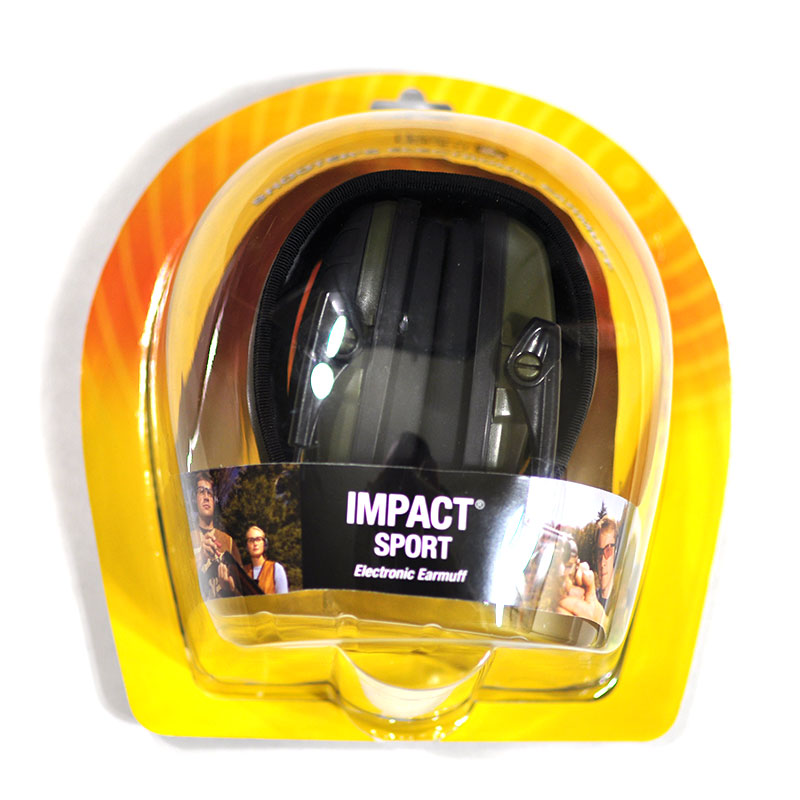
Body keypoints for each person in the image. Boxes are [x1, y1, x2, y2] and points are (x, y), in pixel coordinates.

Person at [190, 472, 243, 598]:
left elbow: (243, 592)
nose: (206, 497)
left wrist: (230, 589)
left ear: (214, 501)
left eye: (210, 493)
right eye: (201, 491)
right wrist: (201, 557)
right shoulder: (186, 540)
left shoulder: (228, 542)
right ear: (195, 499)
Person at [244, 526, 289, 594]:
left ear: (264, 543)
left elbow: (284, 598)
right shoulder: (243, 572)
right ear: (247, 545)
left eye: (258, 539)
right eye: (251, 540)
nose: (255, 543)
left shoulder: (276, 569)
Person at [594, 516, 618, 609]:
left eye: (608, 550)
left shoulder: (622, 604)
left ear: (616, 552)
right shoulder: (592, 601)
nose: (602, 563)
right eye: (599, 552)